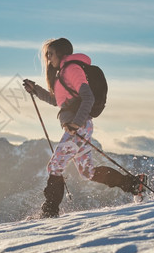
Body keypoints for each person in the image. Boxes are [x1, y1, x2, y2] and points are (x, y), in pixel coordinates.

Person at [23, 38, 146, 218]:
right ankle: (134, 184)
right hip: (78, 127)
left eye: (50, 53)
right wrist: (35, 90)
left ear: (61, 53)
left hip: (78, 127)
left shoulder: (72, 69)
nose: (48, 58)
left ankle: (49, 212)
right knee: (87, 172)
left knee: (55, 166)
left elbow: (88, 97)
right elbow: (57, 101)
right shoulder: (61, 75)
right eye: (47, 55)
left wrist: (76, 123)